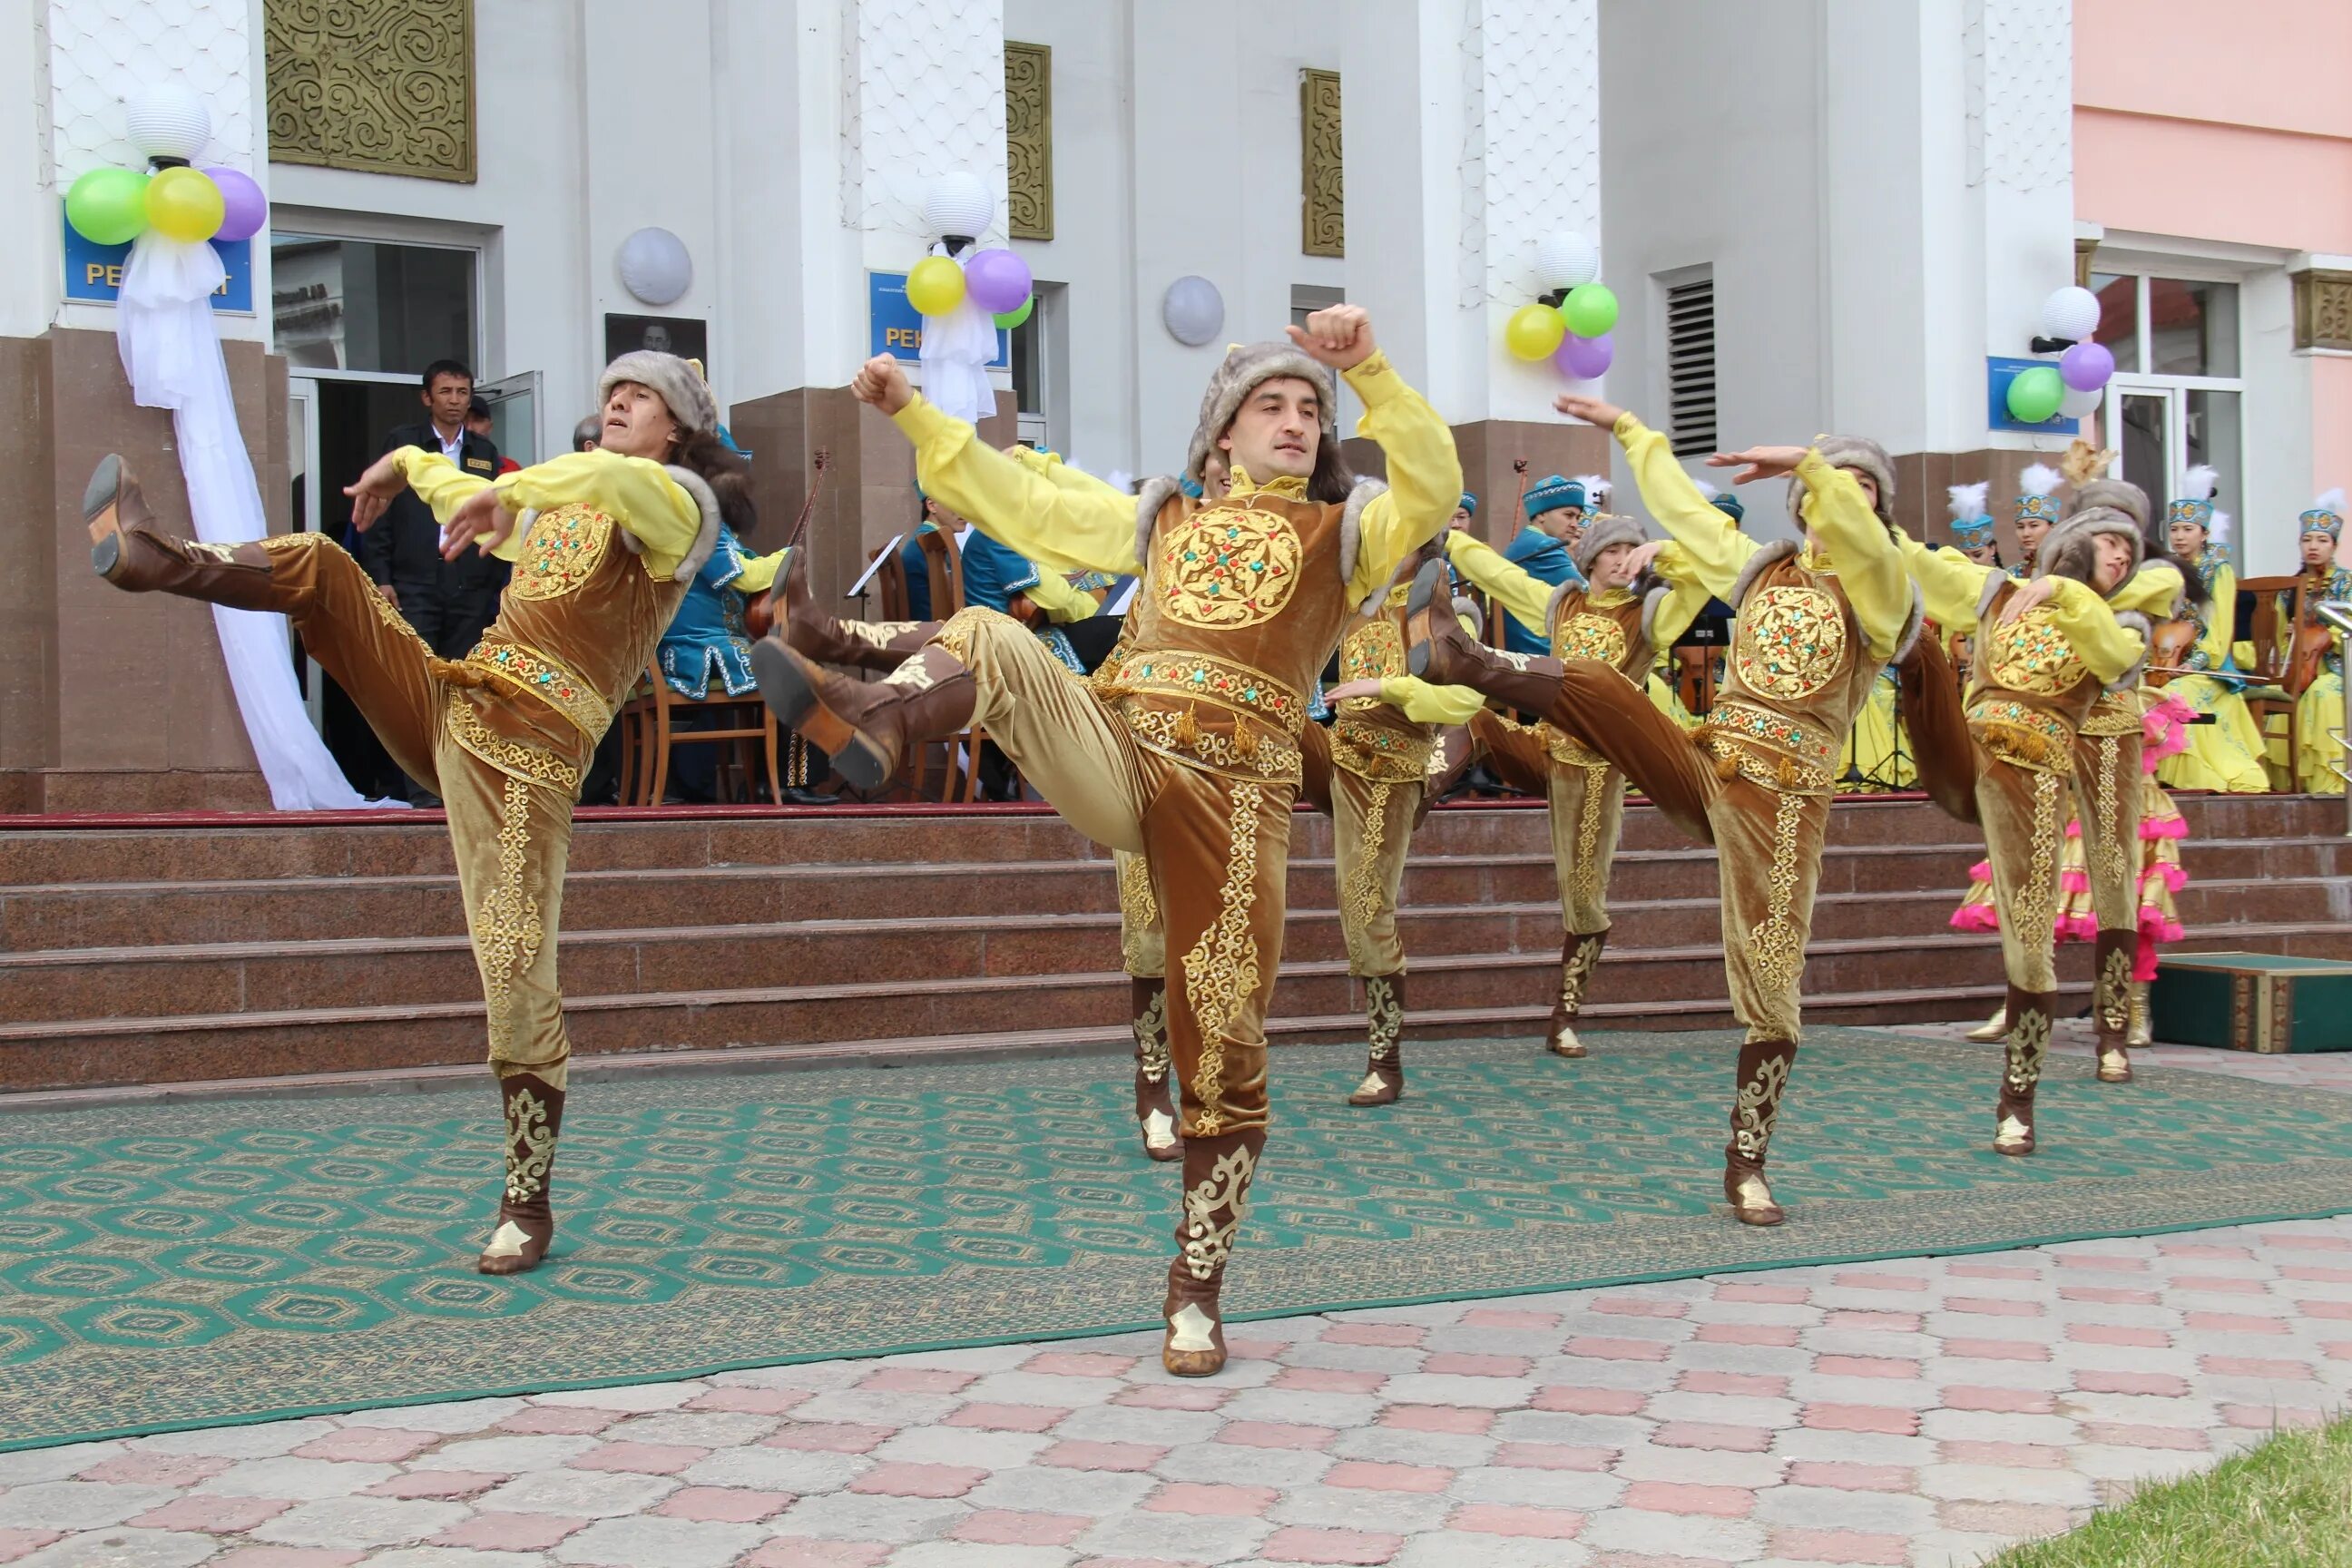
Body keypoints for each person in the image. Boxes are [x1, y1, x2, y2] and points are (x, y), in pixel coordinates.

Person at [754, 307, 1461, 1376]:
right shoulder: (1164, 515)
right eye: (1271, 405)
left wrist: (1370, 368)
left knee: (1222, 1047)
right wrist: (915, 418)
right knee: (991, 631)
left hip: (1235, 796)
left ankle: (1196, 1285)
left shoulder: (1349, 531)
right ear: (1222, 431)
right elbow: (1027, 501)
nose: (1295, 421)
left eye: (1310, 409)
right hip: (1123, 751)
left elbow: (1435, 485)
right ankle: (876, 717)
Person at [86, 349, 735, 1276]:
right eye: (611, 393)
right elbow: (469, 496)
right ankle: (162, 558)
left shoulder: (674, 509)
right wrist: (410, 466)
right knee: (321, 567)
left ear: (678, 428)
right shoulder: (557, 510)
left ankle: (526, 1200)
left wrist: (502, 493)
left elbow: (589, 477)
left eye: (642, 396)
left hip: (526, 768)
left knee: (515, 979)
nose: (620, 402)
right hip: (453, 703)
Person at [1411, 394, 1917, 1228]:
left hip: (1784, 799)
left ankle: (1747, 1159)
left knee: (1769, 974)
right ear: (1800, 507)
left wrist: (1820, 466)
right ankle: (1470, 664)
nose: (1847, 499)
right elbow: (1688, 511)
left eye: (1866, 488)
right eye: (1837, 485)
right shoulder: (1762, 570)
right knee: (1602, 683)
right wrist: (1629, 433)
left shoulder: (1886, 595)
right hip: (1711, 760)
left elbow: (1865, 544)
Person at [1896, 506, 2151, 1151]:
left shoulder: (2123, 616)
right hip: (1997, 750)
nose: (2122, 555)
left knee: (2113, 867)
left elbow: (2118, 650)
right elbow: (1929, 567)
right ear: (2071, 545)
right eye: (2109, 542)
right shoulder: (2000, 594)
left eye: (2129, 546)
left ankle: (2112, 1027)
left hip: (2093, 728)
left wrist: (2065, 590)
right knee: (2028, 915)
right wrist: (1861, 516)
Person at [1439, 507, 1710, 1058]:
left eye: (1630, 551)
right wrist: (1448, 537)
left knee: (1583, 896)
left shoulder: (1649, 617)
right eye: (1612, 550)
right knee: (1471, 716)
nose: (1622, 559)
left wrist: (1664, 552)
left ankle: (1565, 1014)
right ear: (1589, 558)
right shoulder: (1563, 603)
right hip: (1542, 748)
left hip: (1595, 770)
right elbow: (1499, 576)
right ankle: (1418, 791)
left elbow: (1704, 579)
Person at [358, 360, 512, 667]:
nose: (454, 399)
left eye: (462, 392)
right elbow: (380, 514)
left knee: (463, 671)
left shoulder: (484, 451)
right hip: (414, 582)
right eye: (445, 391)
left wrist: (497, 586)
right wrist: (381, 578)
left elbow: (497, 514)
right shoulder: (404, 443)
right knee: (415, 670)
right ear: (427, 398)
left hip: (470, 583)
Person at [2155, 466, 2271, 792]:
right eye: (2175, 529)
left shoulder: (2218, 570)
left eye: (2188, 529)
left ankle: (2198, 769)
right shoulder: (2165, 569)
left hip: (2210, 668)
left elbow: (2217, 633)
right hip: (2167, 661)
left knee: (2181, 693)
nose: (2179, 536)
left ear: (2204, 533)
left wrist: (2190, 665)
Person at [2289, 490, 2348, 794]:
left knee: (2322, 692)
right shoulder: (2292, 586)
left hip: (2341, 667)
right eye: (2307, 539)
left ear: (2334, 545)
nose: (2313, 546)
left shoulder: (2348, 583)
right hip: (2301, 665)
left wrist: (2329, 636)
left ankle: (2332, 780)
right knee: (2287, 689)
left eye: (2322, 540)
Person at [1497, 475, 1586, 655]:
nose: (1575, 524)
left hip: (1523, 647)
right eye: (1568, 515)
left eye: (1577, 517)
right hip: (1540, 651)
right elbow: (1588, 595)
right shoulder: (1543, 545)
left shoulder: (1528, 540)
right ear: (1541, 514)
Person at [2009, 464, 2062, 578]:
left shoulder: (2064, 569)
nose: (2026, 534)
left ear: (2052, 528)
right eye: (2020, 527)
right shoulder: (2014, 573)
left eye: (2033, 526)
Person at [467, 397, 523, 475]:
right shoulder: (448, 466)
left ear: (490, 427)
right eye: (463, 420)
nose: (469, 428)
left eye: (477, 420)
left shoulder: (511, 469)